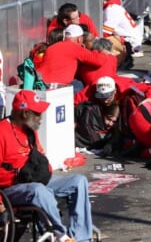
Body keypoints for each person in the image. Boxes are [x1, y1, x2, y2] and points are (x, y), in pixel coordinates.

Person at [0, 90, 94, 241]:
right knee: (39, 190)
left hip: (36, 180)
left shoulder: (30, 131)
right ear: (24, 114)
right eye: (37, 113)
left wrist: (46, 169)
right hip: (12, 188)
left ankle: (82, 237)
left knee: (79, 181)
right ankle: (60, 235)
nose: (41, 118)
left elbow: (41, 157)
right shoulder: (2, 132)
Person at [36, 25, 110, 87]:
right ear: (79, 39)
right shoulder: (75, 48)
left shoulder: (52, 47)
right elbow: (98, 61)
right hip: (59, 85)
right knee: (80, 85)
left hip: (41, 83)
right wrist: (102, 52)